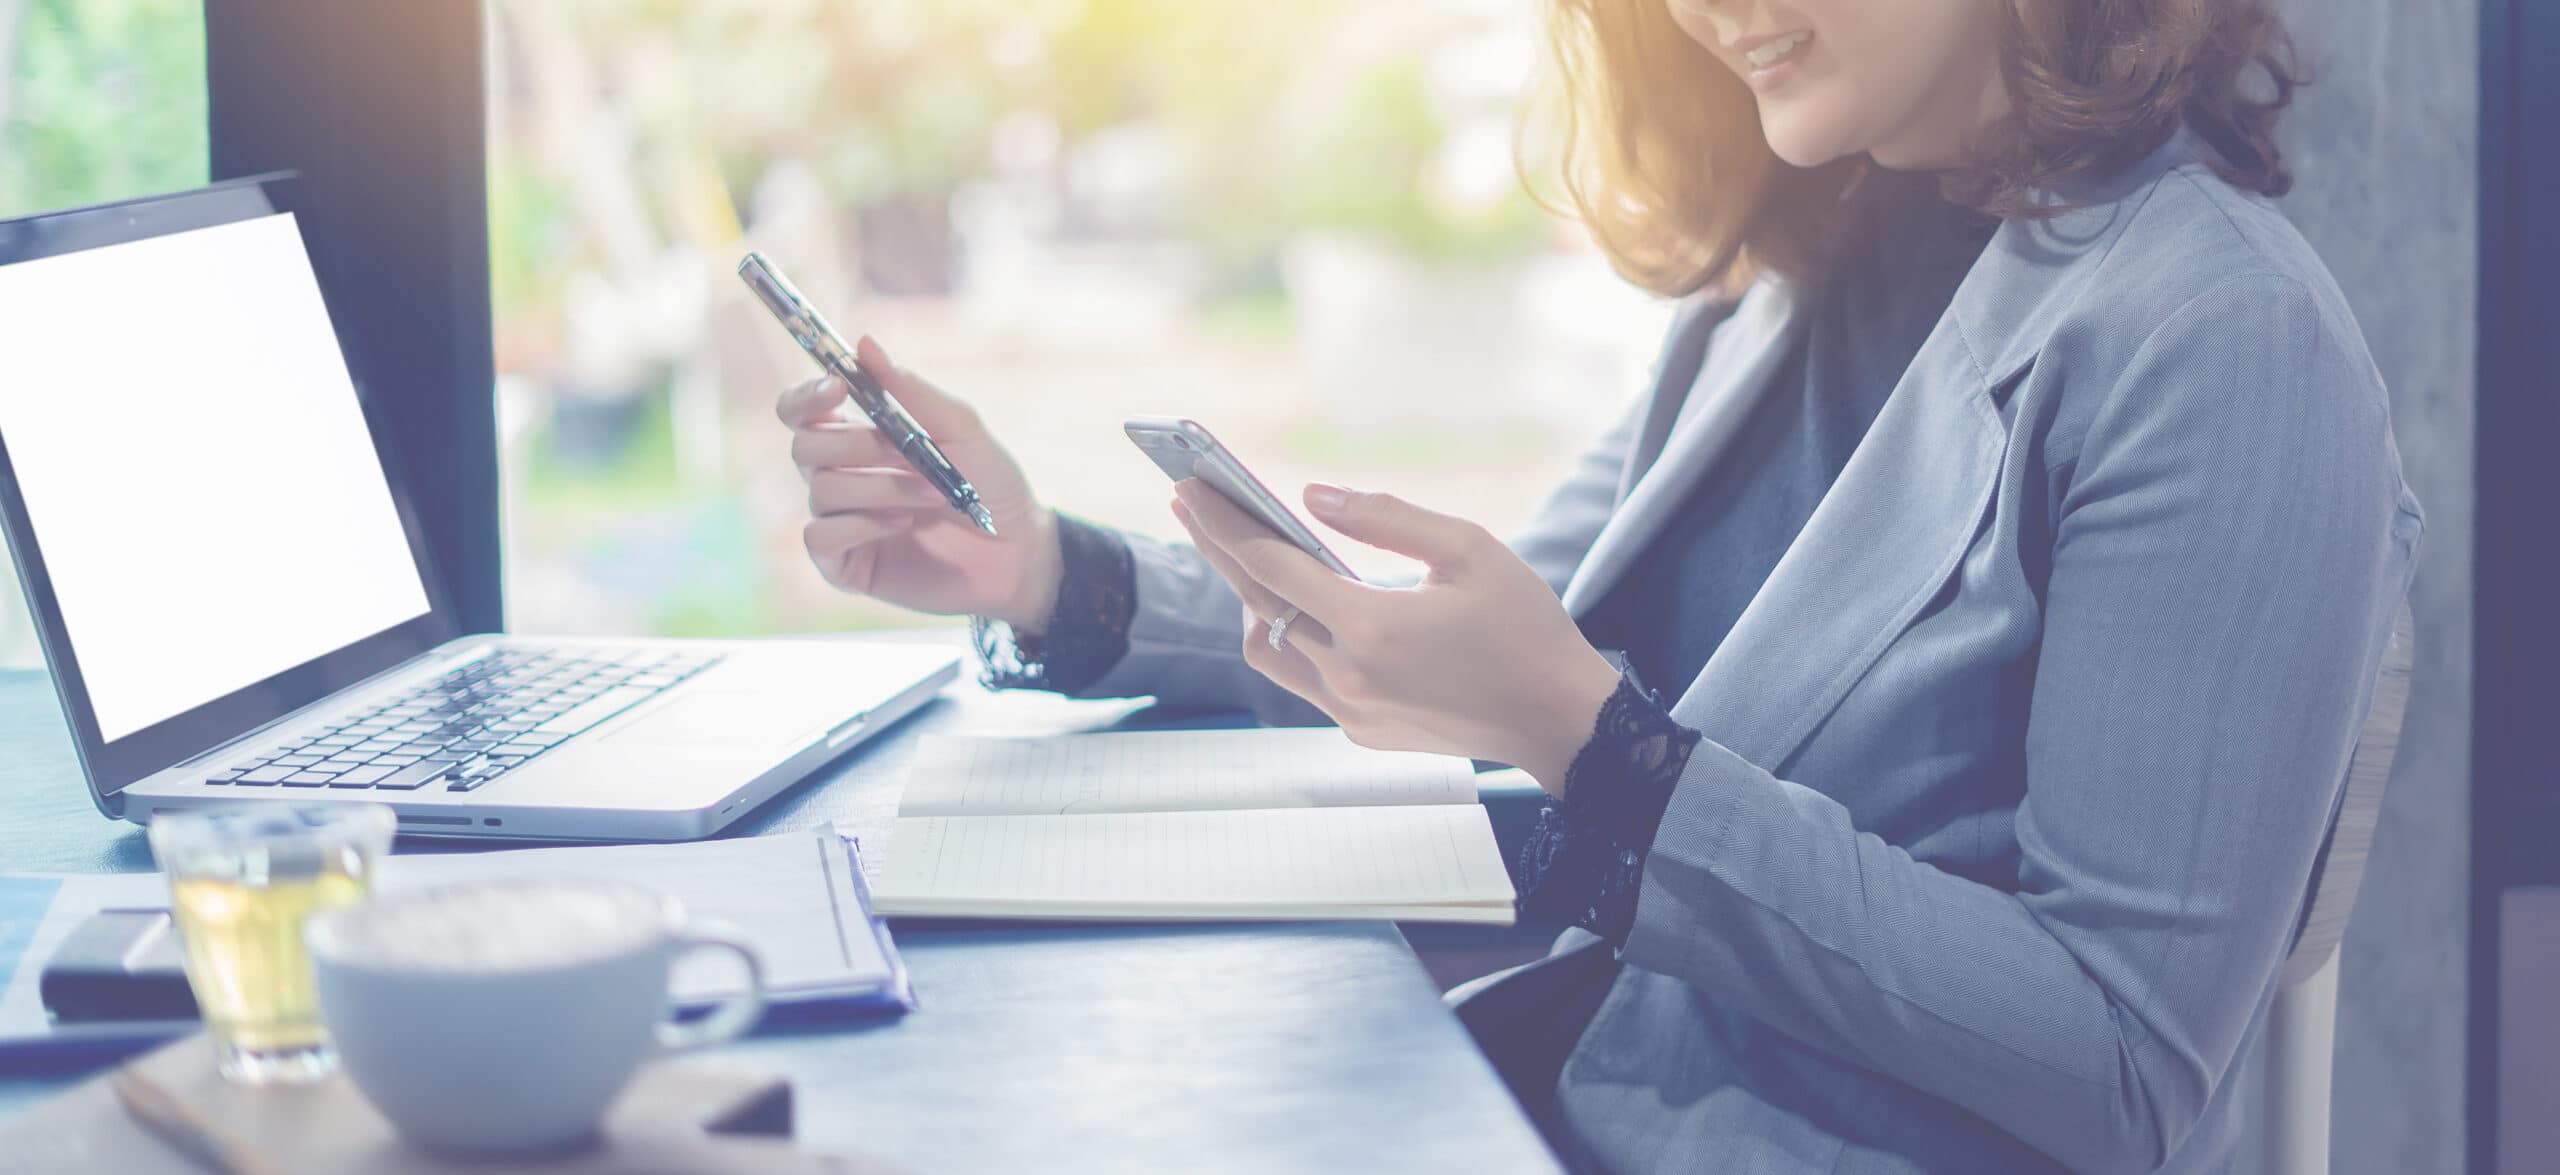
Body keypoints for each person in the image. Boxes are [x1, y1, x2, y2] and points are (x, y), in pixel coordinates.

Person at [772, 0, 2423, 1169]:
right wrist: (1051, 572)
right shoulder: (1787, 281)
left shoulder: (2221, 342)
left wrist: (1604, 753)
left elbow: (2122, 1064)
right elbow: (1467, 645)